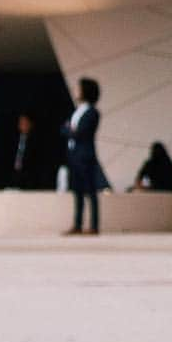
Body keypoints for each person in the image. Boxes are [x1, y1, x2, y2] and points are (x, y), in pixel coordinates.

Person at [62, 78, 101, 236]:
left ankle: (94, 225)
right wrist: (69, 130)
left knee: (90, 191)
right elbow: (66, 129)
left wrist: (69, 130)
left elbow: (80, 133)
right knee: (77, 190)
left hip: (85, 155)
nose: (76, 90)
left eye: (79, 88)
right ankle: (77, 224)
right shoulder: (77, 111)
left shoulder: (92, 112)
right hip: (74, 155)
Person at [11, 113, 42, 190]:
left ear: (30, 124)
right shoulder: (15, 139)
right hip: (16, 172)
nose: (23, 125)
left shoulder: (35, 140)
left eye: (25, 123)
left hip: (29, 174)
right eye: (21, 123)